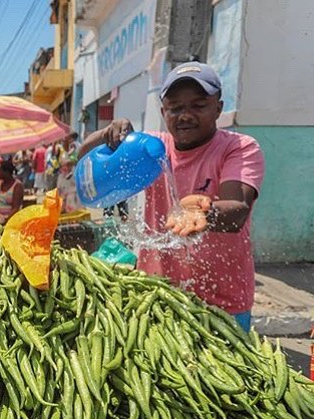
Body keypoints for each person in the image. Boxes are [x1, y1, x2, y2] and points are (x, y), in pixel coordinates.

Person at [79, 61, 265, 331]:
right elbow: (84, 161)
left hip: (222, 304)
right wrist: (106, 135)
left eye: (198, 105)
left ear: (218, 108)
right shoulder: (153, 150)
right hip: (158, 295)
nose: (185, 115)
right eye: (176, 107)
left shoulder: (238, 148)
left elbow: (237, 209)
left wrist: (204, 213)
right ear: (164, 111)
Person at [0, 160, 24, 224]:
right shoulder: (0, 182)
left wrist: (5, 221)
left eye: (0, 171)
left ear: (6, 172)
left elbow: (15, 208)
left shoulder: (17, 186)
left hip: (10, 220)